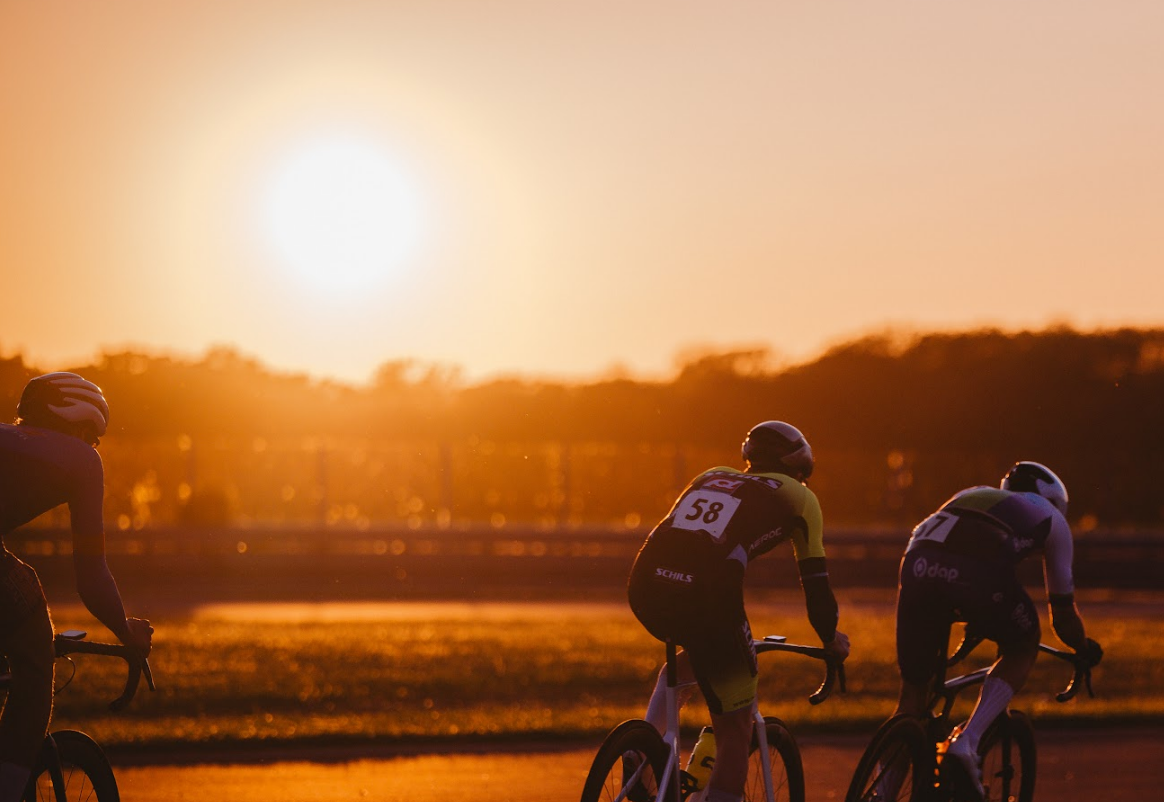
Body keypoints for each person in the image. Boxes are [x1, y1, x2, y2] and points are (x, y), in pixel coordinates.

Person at [627, 421, 850, 802]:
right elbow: (816, 586)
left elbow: (680, 538)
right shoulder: (800, 498)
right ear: (801, 469)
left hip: (646, 585)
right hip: (708, 598)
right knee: (736, 731)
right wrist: (831, 639)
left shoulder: (712, 475)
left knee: (682, 667)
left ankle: (643, 755)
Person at [892, 461, 1103, 800]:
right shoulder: (1054, 520)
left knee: (912, 698)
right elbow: (1062, 616)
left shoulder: (973, 493)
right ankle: (968, 742)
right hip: (974, 572)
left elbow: (948, 549)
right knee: (1023, 641)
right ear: (1055, 501)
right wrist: (1083, 648)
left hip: (916, 565)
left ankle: (881, 792)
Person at [0, 373, 153, 802]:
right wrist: (126, 632)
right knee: (28, 626)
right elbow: (91, 576)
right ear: (81, 426)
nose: (95, 447)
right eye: (94, 437)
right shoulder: (81, 459)